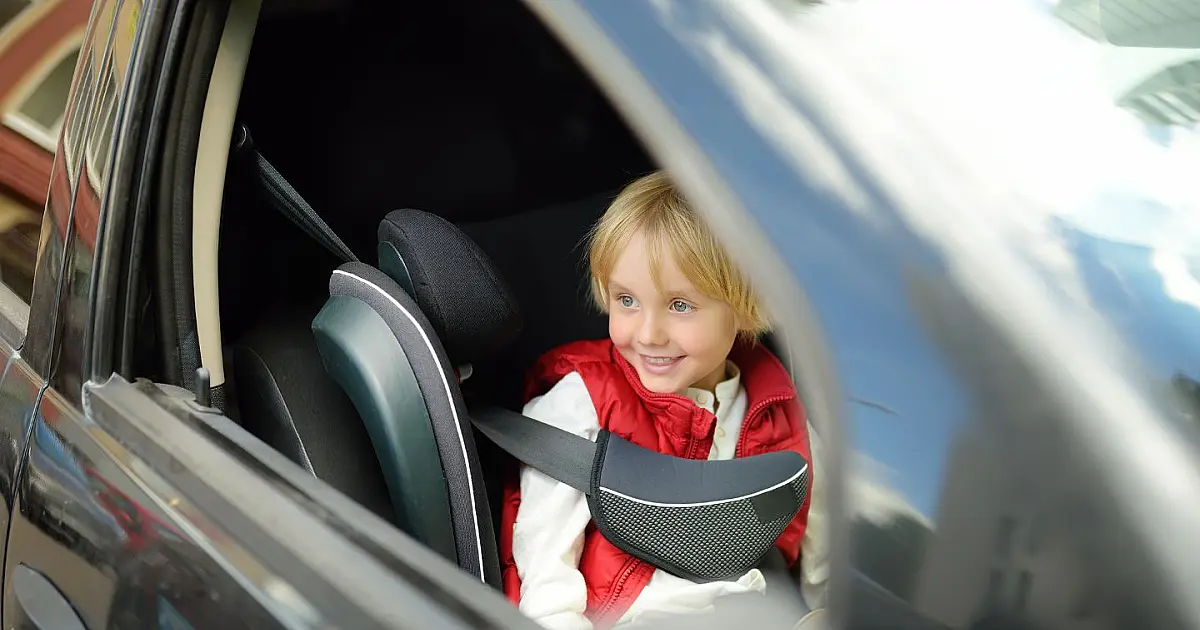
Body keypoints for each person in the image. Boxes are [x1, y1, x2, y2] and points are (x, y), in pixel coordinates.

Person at [498, 170, 828, 629]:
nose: (649, 334)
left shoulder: (779, 412)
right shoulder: (578, 407)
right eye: (627, 300)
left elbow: (827, 557)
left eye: (680, 306)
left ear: (742, 306)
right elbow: (545, 576)